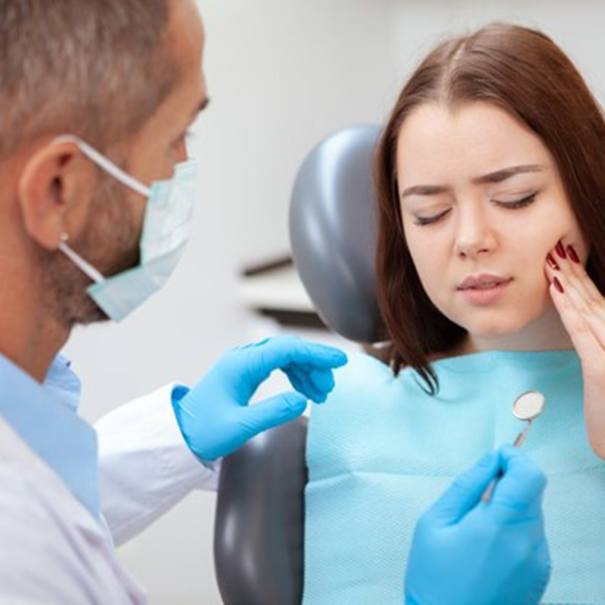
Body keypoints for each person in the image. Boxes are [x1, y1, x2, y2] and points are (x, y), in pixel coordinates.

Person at [0, 3, 550, 603]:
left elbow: (49, 497)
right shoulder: (28, 560)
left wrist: (174, 435)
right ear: (59, 189)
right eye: (174, 136)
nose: (471, 239)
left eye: (518, 197)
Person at [303, 22, 605, 605]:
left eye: (516, 198)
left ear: (589, 185)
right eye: (431, 213)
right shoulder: (340, 411)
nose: (471, 239)